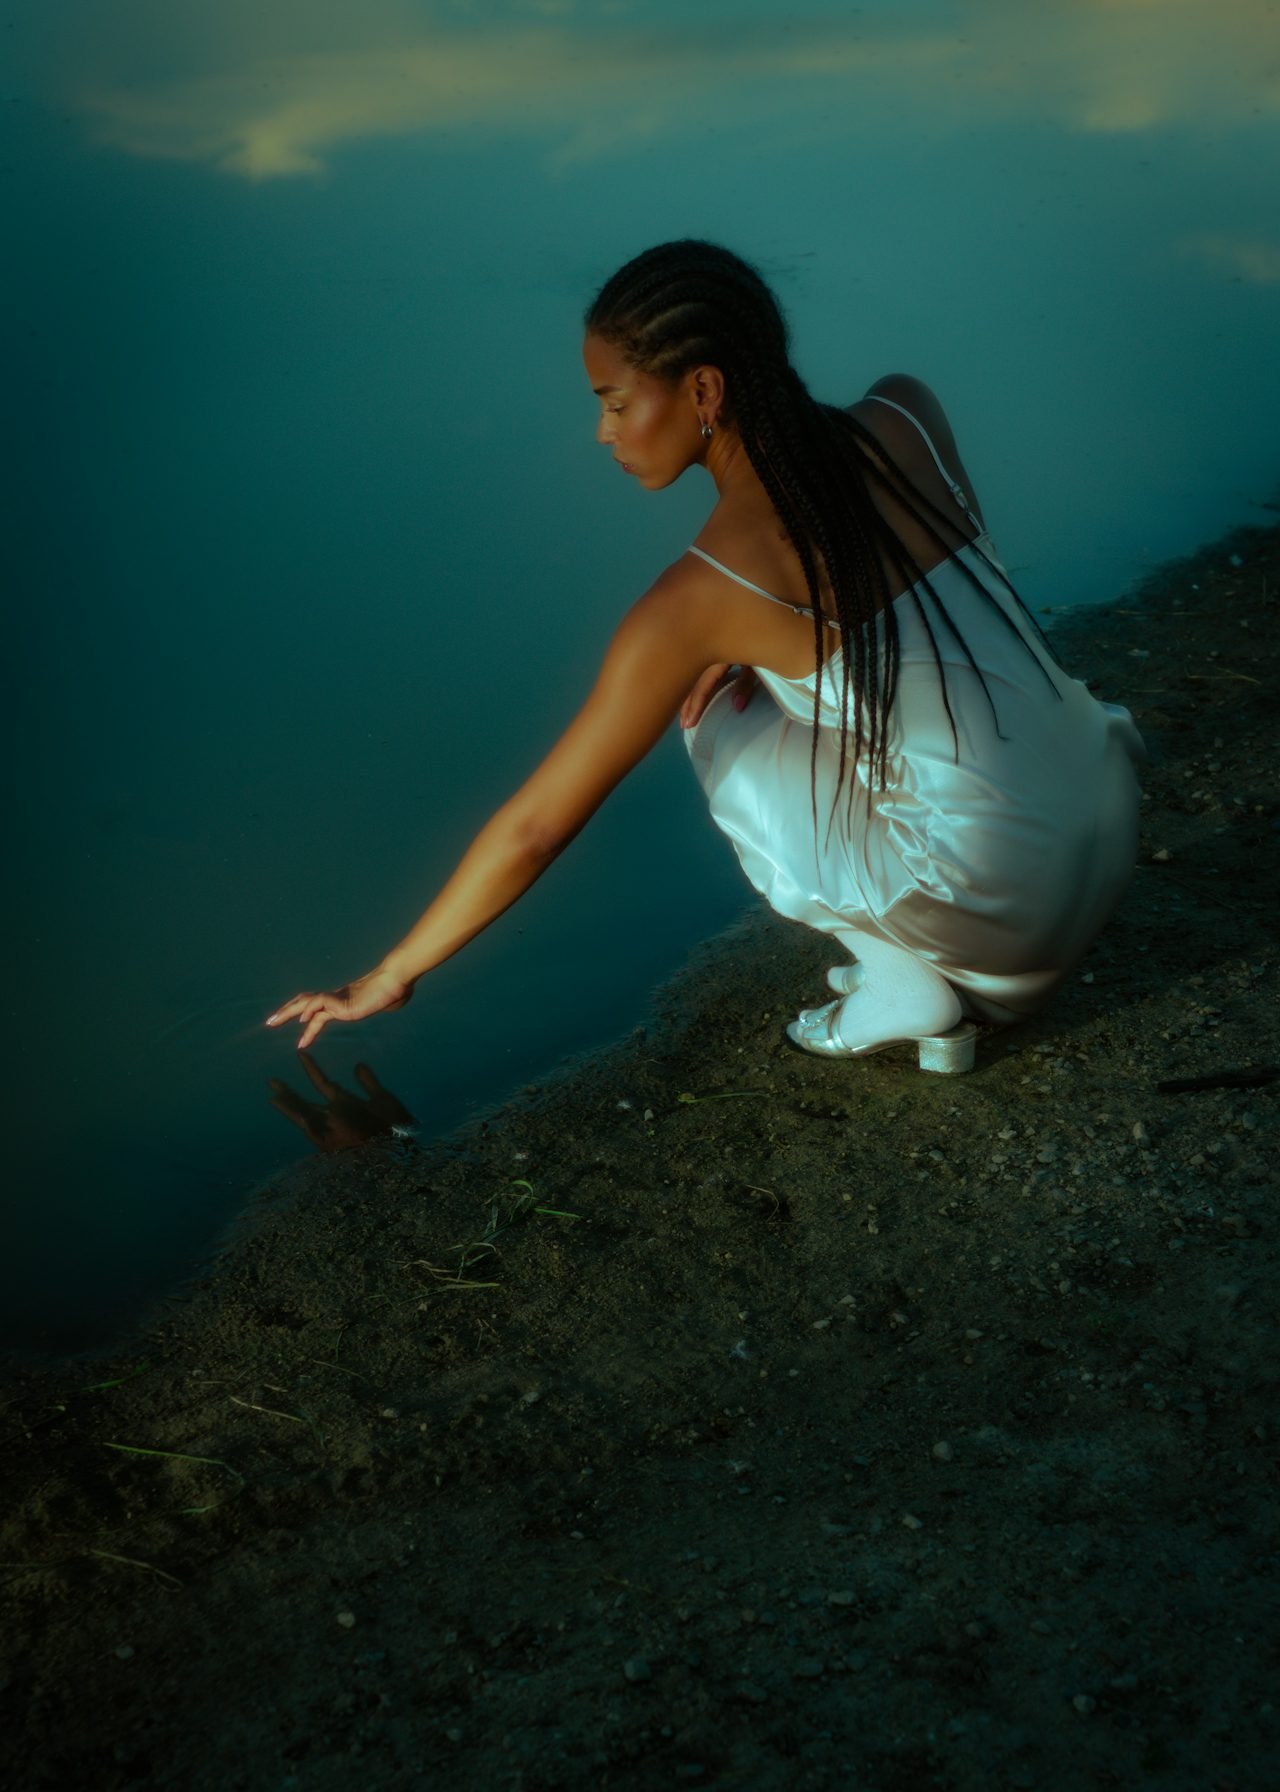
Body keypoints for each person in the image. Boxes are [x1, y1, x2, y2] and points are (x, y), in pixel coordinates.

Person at [267, 240, 1145, 1073]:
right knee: (808, 690)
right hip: (1104, 816)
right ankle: (931, 935)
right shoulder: (904, 411)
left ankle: (903, 983)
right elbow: (939, 617)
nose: (602, 433)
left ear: (704, 390)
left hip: (1010, 912)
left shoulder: (698, 600)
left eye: (615, 402)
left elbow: (537, 827)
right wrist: (761, 649)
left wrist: (392, 971)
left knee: (712, 724)